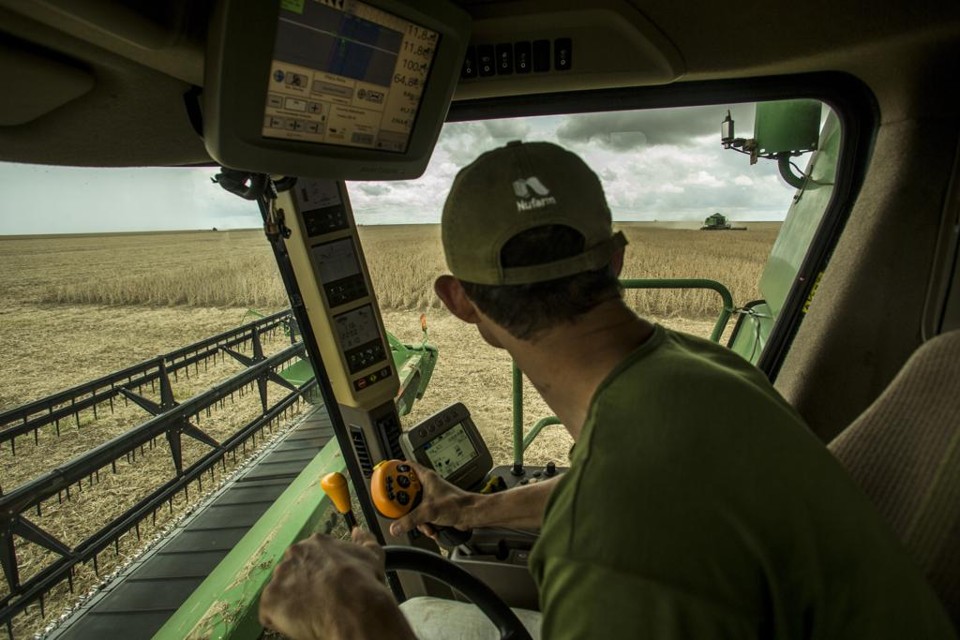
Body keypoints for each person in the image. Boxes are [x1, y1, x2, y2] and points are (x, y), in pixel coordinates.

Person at [260, 141, 956, 639]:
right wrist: (478, 508)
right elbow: (644, 492)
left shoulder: (613, 543)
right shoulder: (699, 372)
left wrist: (354, 618)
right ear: (618, 258)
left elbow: (624, 511)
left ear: (459, 301)